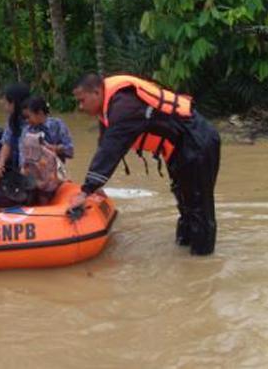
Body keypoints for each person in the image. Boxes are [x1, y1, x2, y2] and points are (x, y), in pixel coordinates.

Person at [68, 73, 221, 256]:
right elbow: (104, 147)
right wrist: (94, 187)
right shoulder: (110, 107)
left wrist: (86, 190)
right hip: (179, 146)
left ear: (96, 92)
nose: (81, 107)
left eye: (82, 100)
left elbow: (111, 150)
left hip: (197, 140)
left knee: (198, 206)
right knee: (185, 203)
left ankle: (202, 263)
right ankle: (187, 254)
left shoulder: (123, 106)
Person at [21, 95, 74, 163]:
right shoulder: (27, 131)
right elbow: (22, 157)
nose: (26, 120)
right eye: (24, 118)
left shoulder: (57, 125)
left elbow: (70, 151)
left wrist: (54, 148)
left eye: (28, 117)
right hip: (34, 170)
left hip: (57, 169)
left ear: (40, 113)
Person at [0, 83, 31, 169]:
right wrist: (0, 164)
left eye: (5, 101)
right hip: (19, 163)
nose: (2, 103)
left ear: (14, 103)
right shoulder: (13, 119)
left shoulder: (33, 121)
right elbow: (7, 144)